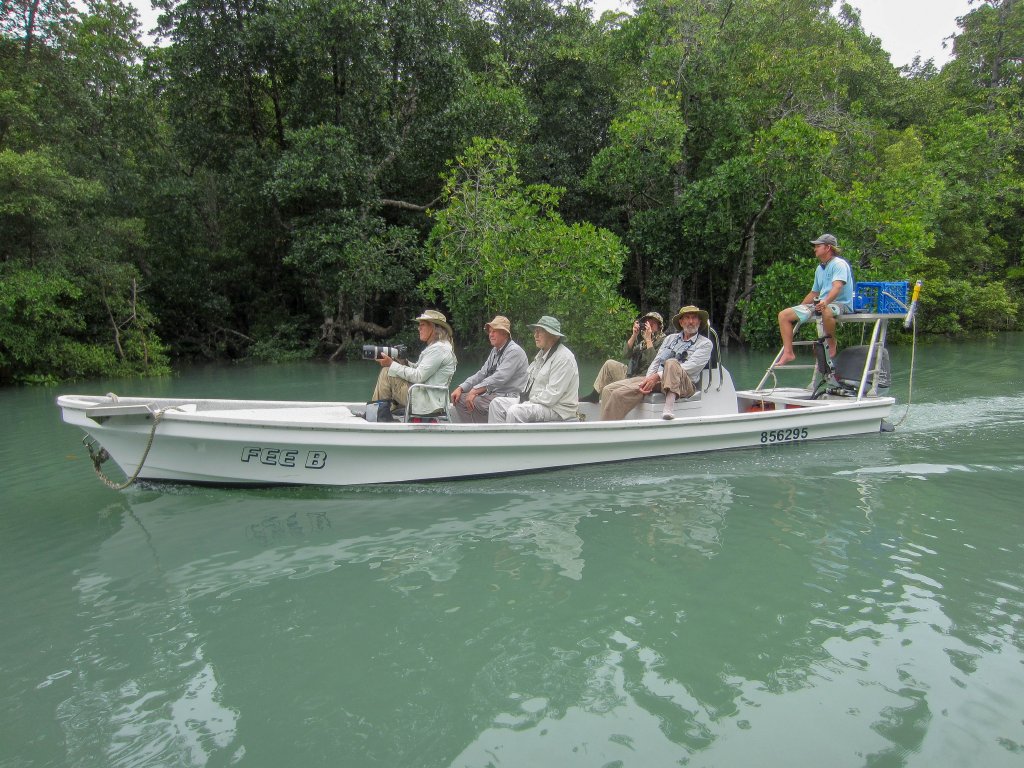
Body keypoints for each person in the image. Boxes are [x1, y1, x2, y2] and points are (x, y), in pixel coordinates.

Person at [599, 306, 714, 421]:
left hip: (683, 383)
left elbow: (689, 367)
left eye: (694, 318)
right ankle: (606, 426)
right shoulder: (670, 339)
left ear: (699, 321)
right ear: (681, 322)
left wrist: (656, 377)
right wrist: (648, 378)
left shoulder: (705, 344)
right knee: (609, 390)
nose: (691, 321)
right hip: (657, 378)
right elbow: (656, 361)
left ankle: (668, 408)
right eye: (687, 318)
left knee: (672, 363)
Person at [776, 233, 854, 365]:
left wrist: (826, 302)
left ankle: (831, 343)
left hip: (840, 304)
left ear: (828, 247)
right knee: (784, 315)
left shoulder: (839, 264)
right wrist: (800, 307)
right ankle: (788, 353)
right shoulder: (820, 268)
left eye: (818, 246)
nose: (815, 249)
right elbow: (814, 293)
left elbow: (837, 286)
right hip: (821, 302)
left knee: (826, 310)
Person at [488, 316, 579, 423]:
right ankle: (500, 439)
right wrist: (525, 401)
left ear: (553, 336)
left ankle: (513, 440)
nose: (535, 335)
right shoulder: (541, 354)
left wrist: (527, 402)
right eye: (535, 331)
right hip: (537, 403)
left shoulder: (564, 358)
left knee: (515, 411)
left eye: (540, 332)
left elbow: (551, 396)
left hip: (558, 410)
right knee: (496, 404)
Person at [370, 309, 457, 416]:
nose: (419, 328)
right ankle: (382, 412)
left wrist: (391, 364)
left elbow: (418, 376)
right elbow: (419, 369)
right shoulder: (438, 347)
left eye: (423, 325)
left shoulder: (439, 349)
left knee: (387, 372)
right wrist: (403, 361)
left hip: (425, 401)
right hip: (427, 397)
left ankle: (377, 413)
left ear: (434, 328)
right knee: (389, 370)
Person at [450, 315, 529, 423]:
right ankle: (473, 431)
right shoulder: (495, 351)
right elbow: (482, 373)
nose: (490, 334)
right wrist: (461, 388)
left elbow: (500, 377)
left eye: (494, 331)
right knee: (458, 399)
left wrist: (474, 391)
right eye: (490, 331)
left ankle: (479, 431)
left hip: (509, 397)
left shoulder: (514, 351)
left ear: (505, 333)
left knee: (475, 399)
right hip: (493, 395)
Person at [580, 311, 666, 403]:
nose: (649, 325)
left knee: (610, 389)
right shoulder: (643, 343)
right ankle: (594, 394)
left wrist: (648, 340)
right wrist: (634, 335)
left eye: (653, 323)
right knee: (609, 364)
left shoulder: (663, 341)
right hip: (632, 374)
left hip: (645, 378)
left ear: (659, 326)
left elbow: (654, 363)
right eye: (647, 323)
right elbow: (625, 355)